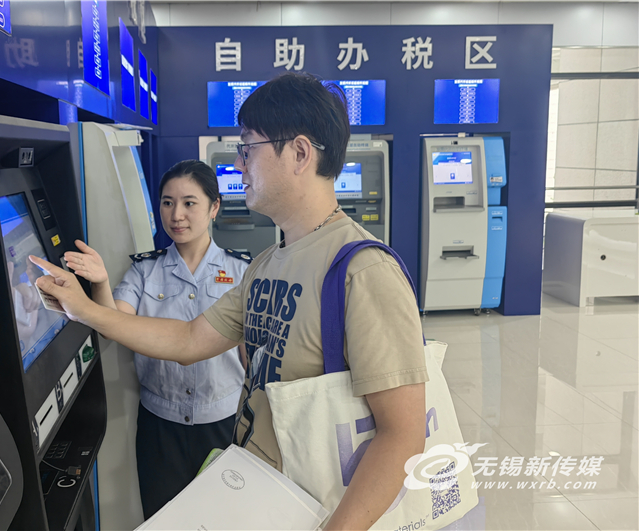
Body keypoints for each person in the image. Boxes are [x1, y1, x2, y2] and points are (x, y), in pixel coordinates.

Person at [32, 72, 428, 531]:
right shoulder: (265, 265)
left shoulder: (363, 270)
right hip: (263, 499)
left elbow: (403, 435)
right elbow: (188, 339)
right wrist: (84, 308)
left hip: (318, 512)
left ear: (300, 153)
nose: (239, 165)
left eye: (247, 149)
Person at [62, 160, 249, 519]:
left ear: (214, 207)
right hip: (160, 426)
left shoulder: (242, 271)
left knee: (225, 520)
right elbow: (113, 323)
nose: (176, 215)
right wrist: (100, 282)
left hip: (224, 423)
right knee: (164, 519)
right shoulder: (144, 270)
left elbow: (250, 357)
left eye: (189, 203)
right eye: (167, 202)